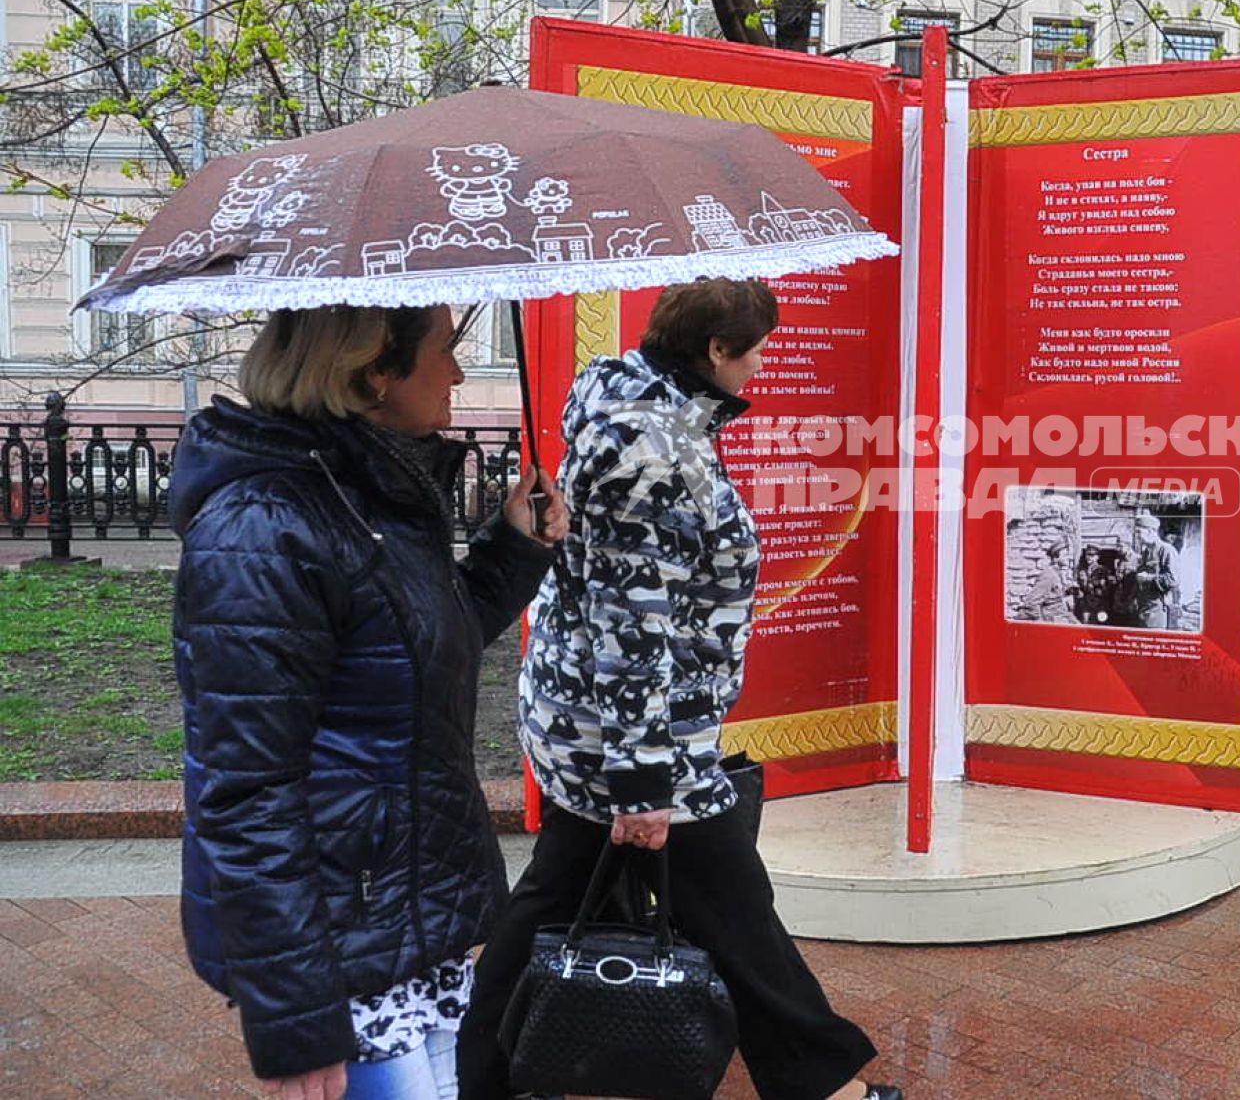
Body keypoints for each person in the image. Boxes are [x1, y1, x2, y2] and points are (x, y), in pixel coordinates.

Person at [458, 278, 902, 1100]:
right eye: (755, 348)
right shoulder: (647, 448)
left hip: (600, 718)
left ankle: (476, 1071)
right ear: (715, 351)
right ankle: (823, 1083)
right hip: (632, 735)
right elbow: (635, 622)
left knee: (563, 898)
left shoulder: (641, 403)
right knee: (735, 908)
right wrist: (642, 783)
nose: (762, 365)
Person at [171, 304, 569, 1100]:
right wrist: (297, 1022)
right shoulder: (264, 527)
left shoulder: (368, 491)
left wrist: (515, 548)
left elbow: (413, 647)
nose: (456, 373)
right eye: (443, 352)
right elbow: (245, 792)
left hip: (400, 915)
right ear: (372, 371)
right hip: (341, 949)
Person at [1123, 512, 1180, 629]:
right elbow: (1139, 578)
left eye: (1139, 532)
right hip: (1143, 606)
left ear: (1150, 531)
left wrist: (1149, 578)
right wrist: (1132, 599)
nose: (1137, 536)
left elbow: (1173, 580)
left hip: (1157, 608)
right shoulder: (1146, 552)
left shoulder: (1166, 550)